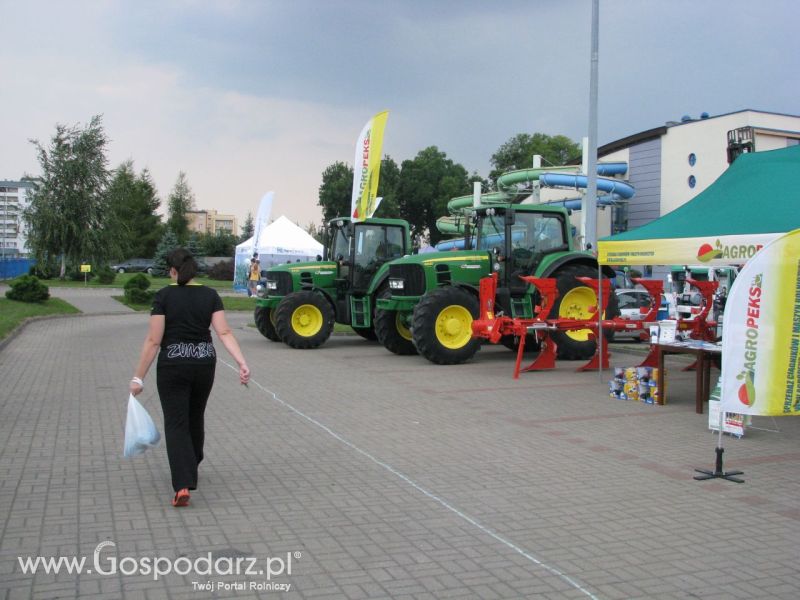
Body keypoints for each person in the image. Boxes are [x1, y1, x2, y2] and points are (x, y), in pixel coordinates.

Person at [129, 248, 250, 507]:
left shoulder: (163, 296)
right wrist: (242, 362)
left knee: (176, 423)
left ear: (172, 271)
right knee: (195, 416)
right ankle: (192, 461)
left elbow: (153, 340)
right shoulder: (210, 295)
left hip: (173, 366)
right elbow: (225, 332)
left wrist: (138, 378)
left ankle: (182, 484)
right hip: (204, 364)